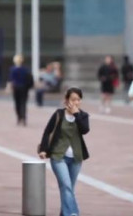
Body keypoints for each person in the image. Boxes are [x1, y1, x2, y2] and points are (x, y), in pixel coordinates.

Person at [38, 87, 90, 216]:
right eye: (73, 99)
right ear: (66, 100)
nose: (76, 102)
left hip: (76, 158)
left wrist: (76, 114)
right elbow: (47, 131)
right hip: (58, 156)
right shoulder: (58, 114)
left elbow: (85, 130)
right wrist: (44, 149)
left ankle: (64, 212)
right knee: (66, 185)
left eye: (78, 99)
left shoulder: (83, 116)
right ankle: (73, 213)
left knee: (69, 189)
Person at [8, 54, 33, 126]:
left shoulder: (12, 69)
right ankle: (24, 118)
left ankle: (19, 117)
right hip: (24, 88)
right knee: (23, 103)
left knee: (17, 103)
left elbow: (11, 79)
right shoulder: (25, 69)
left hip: (16, 88)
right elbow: (29, 79)